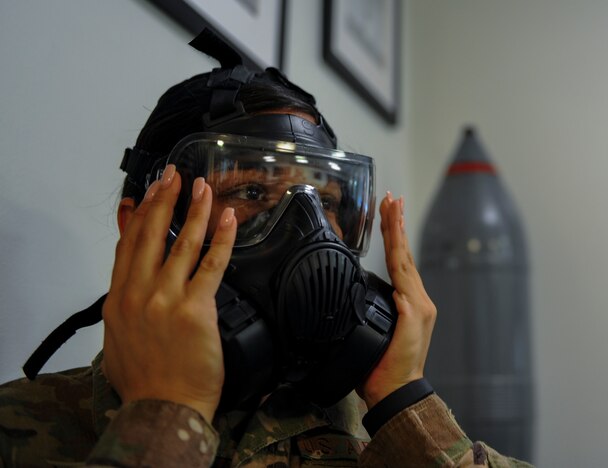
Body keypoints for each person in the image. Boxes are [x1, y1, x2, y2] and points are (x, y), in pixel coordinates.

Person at [0, 31, 533, 467]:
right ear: (142, 224)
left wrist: (404, 404)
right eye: (252, 192)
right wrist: (167, 416)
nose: (309, 232)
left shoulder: (384, 435)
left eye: (325, 201)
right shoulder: (21, 428)